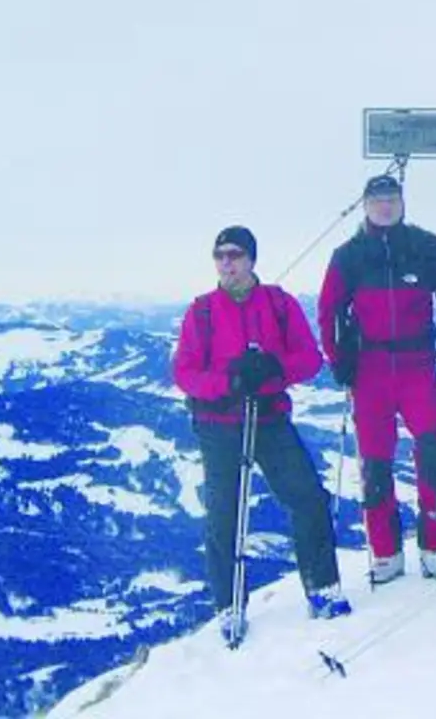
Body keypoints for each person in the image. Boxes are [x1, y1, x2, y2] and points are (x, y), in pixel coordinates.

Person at [172, 225, 350, 641]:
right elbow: (184, 372)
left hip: (269, 417)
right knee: (224, 513)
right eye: (220, 256)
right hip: (219, 423)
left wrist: (274, 368)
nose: (227, 263)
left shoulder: (278, 304)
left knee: (307, 497)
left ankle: (322, 586)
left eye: (235, 254)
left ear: (252, 258)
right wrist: (229, 382)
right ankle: (229, 605)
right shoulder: (202, 311)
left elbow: (309, 359)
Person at [317, 174, 436, 584]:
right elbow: (328, 312)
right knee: (376, 463)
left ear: (402, 202)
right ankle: (385, 552)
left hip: (417, 364)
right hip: (370, 370)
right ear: (365, 204)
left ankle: (433, 546)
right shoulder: (348, 255)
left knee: (433, 453)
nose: (385, 206)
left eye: (392, 199)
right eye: (377, 199)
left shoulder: (421, 245)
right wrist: (339, 360)